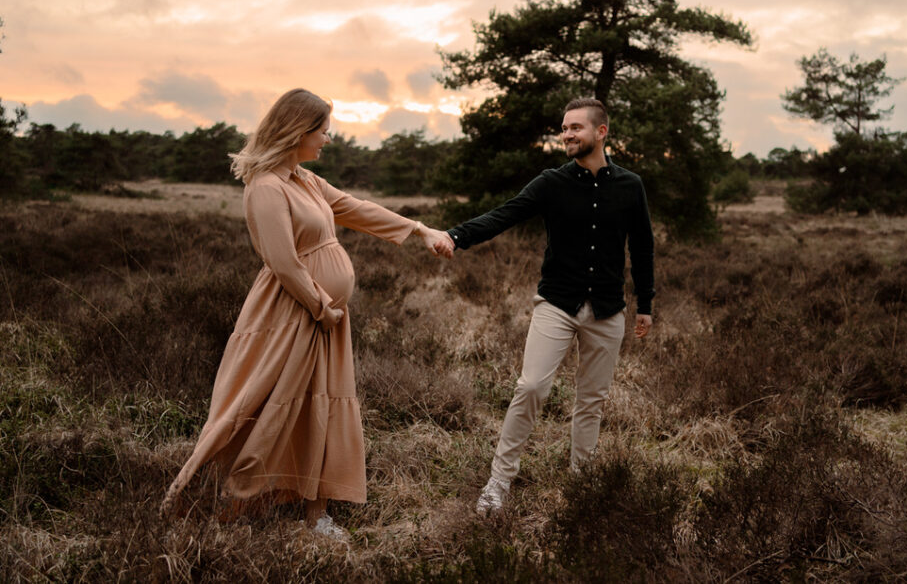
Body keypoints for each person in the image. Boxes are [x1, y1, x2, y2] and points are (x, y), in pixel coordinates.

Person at [161, 88, 452, 540]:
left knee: (321, 406)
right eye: (323, 131)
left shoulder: (305, 181)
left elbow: (356, 209)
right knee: (267, 406)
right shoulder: (267, 187)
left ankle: (315, 513)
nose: (328, 139)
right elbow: (283, 262)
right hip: (294, 312)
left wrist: (419, 229)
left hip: (323, 316)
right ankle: (226, 501)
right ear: (298, 131)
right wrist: (321, 307)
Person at [432, 98, 654, 515]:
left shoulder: (631, 186)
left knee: (592, 400)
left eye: (575, 128)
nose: (566, 135)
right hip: (557, 303)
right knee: (531, 387)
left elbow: (642, 246)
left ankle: (582, 484)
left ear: (601, 132)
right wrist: (456, 236)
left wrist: (646, 302)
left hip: (608, 309)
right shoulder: (551, 183)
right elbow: (504, 215)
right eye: (564, 128)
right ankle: (499, 482)